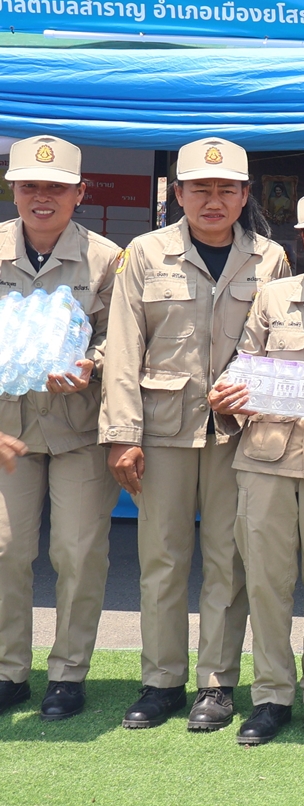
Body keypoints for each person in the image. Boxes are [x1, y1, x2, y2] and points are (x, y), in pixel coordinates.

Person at [101, 137, 290, 732]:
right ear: (177, 193)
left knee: (228, 561)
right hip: (161, 431)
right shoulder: (144, 253)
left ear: (244, 195)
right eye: (200, 189)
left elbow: (283, 345)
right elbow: (125, 348)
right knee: (161, 557)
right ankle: (160, 681)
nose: (213, 199)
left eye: (226, 189)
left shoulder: (271, 258)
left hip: (240, 433)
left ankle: (216, 683)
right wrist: (122, 433)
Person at [207, 189, 304, 745]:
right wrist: (225, 396)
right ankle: (272, 695)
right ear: (303, 242)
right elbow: (244, 363)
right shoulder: (273, 297)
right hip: (266, 459)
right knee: (266, 584)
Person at [0, 136, 120, 721]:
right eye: (29, 186)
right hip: (7, 430)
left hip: (78, 425)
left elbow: (122, 335)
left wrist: (92, 360)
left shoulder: (106, 259)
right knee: (5, 551)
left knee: (77, 551)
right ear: (13, 189)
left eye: (55, 187)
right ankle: (8, 671)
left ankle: (69, 672)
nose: (41, 198)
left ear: (79, 192)